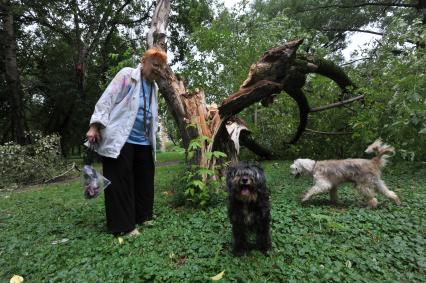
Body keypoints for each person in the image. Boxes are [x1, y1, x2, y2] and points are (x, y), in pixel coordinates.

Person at [86, 47, 167, 236]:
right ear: (143, 61)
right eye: (155, 65)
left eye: (161, 68)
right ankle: (123, 226)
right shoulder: (127, 75)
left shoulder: (154, 87)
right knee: (120, 181)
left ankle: (142, 217)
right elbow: (107, 99)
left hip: (144, 142)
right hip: (121, 139)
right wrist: (95, 126)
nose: (158, 70)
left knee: (144, 181)